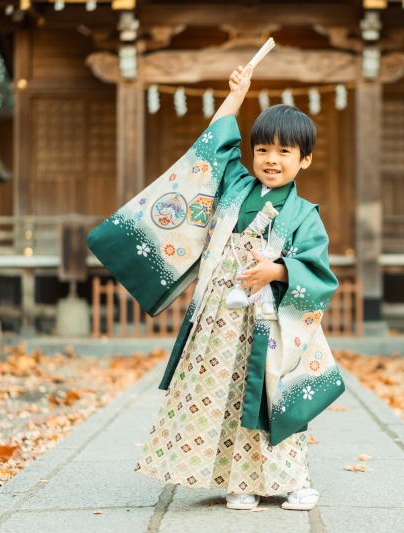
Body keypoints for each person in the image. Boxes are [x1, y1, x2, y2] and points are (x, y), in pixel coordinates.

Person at [87, 64, 344, 512]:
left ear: (304, 159)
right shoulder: (236, 185)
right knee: (223, 396)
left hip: (270, 323)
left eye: (285, 151)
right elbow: (215, 144)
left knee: (270, 397)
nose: (271, 158)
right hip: (221, 320)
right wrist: (237, 95)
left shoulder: (305, 214)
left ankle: (292, 479)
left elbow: (317, 269)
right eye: (262, 148)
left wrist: (278, 271)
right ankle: (237, 481)